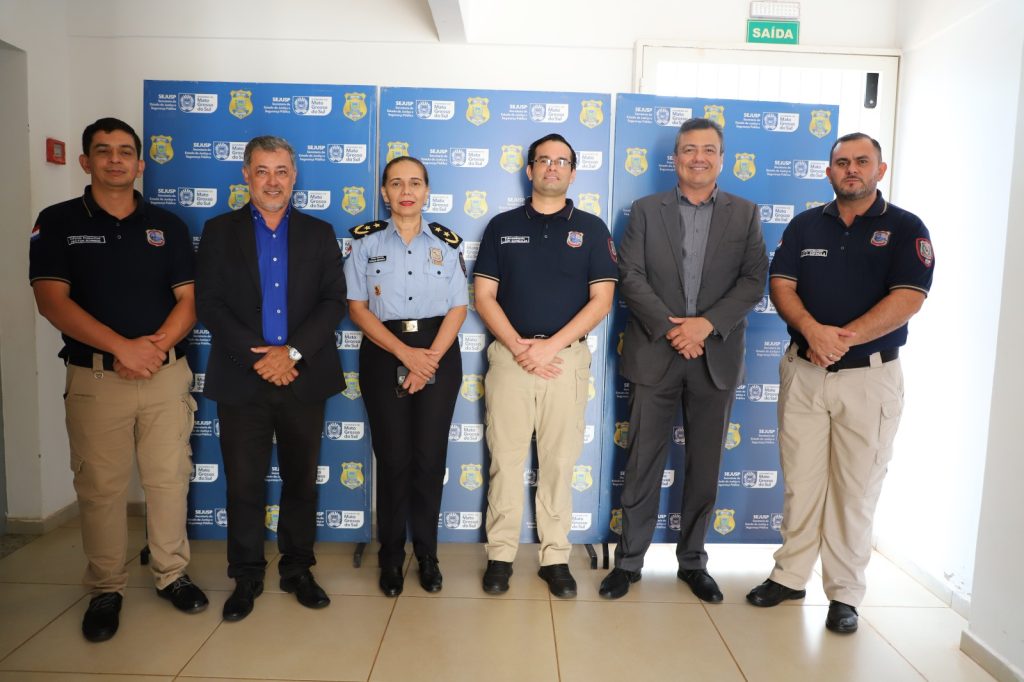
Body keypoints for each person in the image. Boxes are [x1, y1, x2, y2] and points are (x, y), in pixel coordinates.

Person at [745, 133, 933, 634]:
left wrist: (840, 340)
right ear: (829, 172)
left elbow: (909, 297)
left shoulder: (906, 228)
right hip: (805, 372)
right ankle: (789, 577)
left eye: (861, 161)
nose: (851, 169)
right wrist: (812, 332)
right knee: (801, 483)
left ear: (880, 169)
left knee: (856, 490)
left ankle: (845, 594)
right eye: (842, 162)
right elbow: (781, 284)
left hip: (869, 378)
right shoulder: (805, 224)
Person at [29, 117, 208, 642]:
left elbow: (189, 300)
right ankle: (106, 587)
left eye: (125, 151)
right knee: (101, 488)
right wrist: (122, 348)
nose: (115, 159)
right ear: (86, 161)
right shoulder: (57, 221)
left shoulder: (167, 225)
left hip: (164, 375)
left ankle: (171, 573)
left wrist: (150, 350)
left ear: (140, 163)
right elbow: (51, 300)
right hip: (96, 378)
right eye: (104, 151)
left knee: (168, 480)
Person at [601, 118, 768, 601]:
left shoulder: (745, 213)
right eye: (689, 149)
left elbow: (753, 280)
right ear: (674, 158)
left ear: (722, 159)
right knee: (642, 462)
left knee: (704, 465)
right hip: (656, 350)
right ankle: (628, 562)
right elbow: (629, 274)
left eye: (708, 149)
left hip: (715, 355)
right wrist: (675, 329)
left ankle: (693, 562)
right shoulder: (645, 210)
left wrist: (705, 325)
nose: (699, 157)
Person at [195, 135, 346, 621]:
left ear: (294, 175)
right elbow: (209, 304)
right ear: (246, 175)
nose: (272, 181)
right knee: (243, 484)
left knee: (301, 482)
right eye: (262, 171)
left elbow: (333, 302)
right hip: (244, 377)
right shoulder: (219, 231)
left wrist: (291, 353)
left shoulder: (320, 233)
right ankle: (246, 575)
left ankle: (298, 569)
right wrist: (259, 357)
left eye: (281, 171)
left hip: (304, 375)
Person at [474, 133, 617, 598]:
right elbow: (484, 296)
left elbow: (602, 300)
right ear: (530, 169)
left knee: (558, 462)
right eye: (543, 160)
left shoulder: (591, 229)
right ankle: (500, 555)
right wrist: (520, 347)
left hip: (565, 360)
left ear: (573, 172)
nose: (552, 167)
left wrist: (548, 347)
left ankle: (555, 557)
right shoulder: (502, 226)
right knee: (505, 460)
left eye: (561, 161)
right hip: (510, 358)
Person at [344, 156, 467, 597]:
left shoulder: (447, 243)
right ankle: (391, 556)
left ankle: (428, 554)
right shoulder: (365, 243)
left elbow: (458, 307)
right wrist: (404, 355)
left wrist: (427, 360)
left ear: (427, 190)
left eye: (415, 183)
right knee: (393, 459)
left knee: (429, 460)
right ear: (384, 192)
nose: (406, 191)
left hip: (438, 352)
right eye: (396, 183)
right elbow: (357, 309)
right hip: (384, 352)